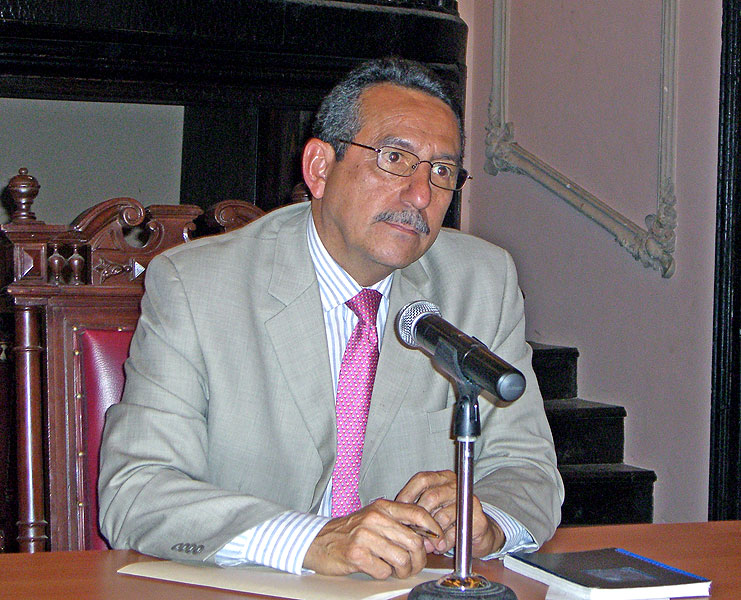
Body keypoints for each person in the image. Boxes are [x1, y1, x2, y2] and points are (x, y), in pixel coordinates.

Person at [98, 57, 563, 580]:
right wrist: (309, 539)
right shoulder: (197, 286)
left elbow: (529, 470)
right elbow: (137, 490)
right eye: (394, 158)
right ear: (320, 168)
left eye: (442, 171)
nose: (420, 195)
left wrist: (488, 520)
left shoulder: (482, 281)